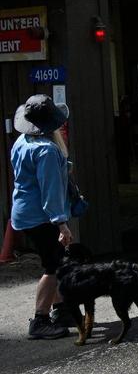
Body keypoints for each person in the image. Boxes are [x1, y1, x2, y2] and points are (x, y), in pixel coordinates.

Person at [9, 94, 75, 340]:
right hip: (41, 215)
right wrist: (61, 223)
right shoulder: (46, 151)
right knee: (53, 266)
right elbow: (50, 190)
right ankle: (40, 319)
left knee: (53, 259)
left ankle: (61, 309)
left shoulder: (22, 141)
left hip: (24, 212)